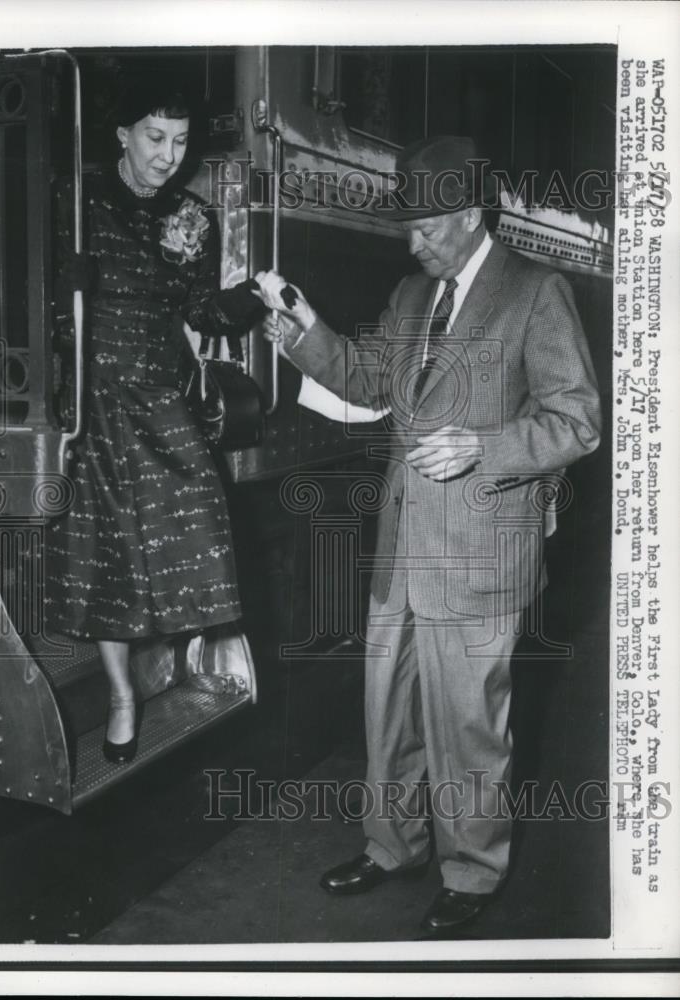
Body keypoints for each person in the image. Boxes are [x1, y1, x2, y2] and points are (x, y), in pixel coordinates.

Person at [252, 136, 601, 937]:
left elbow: (576, 418)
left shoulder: (535, 292)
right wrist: (304, 331)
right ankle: (392, 846)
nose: (412, 244)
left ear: (471, 218)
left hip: (480, 552)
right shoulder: (413, 294)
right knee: (390, 711)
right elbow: (372, 380)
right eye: (407, 229)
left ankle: (474, 869)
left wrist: (488, 445)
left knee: (468, 722)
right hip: (403, 546)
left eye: (427, 229)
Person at [45, 79, 256, 764]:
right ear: (123, 136)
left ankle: (170, 654)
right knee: (103, 554)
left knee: (199, 516)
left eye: (182, 140)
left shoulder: (193, 217)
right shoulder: (76, 202)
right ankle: (121, 696)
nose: (170, 155)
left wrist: (253, 299)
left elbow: (201, 311)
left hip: (160, 392)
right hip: (92, 397)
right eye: (156, 138)